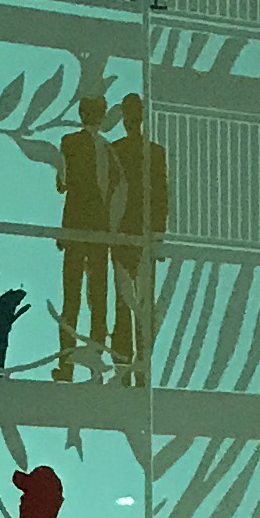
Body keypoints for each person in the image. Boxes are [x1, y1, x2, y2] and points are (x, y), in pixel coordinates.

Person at [52, 85, 113, 382]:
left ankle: (66, 364)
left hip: (76, 228)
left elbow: (61, 183)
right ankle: (96, 365)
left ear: (81, 114)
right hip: (100, 229)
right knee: (98, 299)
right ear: (102, 116)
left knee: (71, 298)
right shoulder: (108, 149)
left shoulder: (69, 142)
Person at [107, 91, 167, 378]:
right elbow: (161, 195)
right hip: (134, 232)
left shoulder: (120, 150)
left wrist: (158, 234)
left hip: (129, 232)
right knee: (136, 299)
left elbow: (160, 194)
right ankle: (135, 362)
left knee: (129, 300)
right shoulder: (151, 152)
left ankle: (131, 363)